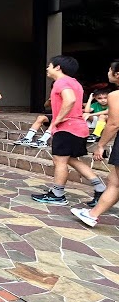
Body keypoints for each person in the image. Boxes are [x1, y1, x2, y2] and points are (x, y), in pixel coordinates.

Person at [30, 56, 105, 206]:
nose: (47, 68)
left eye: (49, 65)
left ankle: (57, 195)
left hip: (68, 128)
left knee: (60, 161)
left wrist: (57, 120)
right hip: (79, 127)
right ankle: (100, 187)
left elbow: (70, 100)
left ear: (58, 67)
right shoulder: (75, 83)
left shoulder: (61, 81)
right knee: (71, 159)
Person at [72, 60, 119, 226]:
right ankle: (92, 214)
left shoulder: (115, 95)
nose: (108, 73)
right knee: (114, 182)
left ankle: (92, 215)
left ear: (117, 74)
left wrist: (100, 145)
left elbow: (114, 123)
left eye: (110, 70)